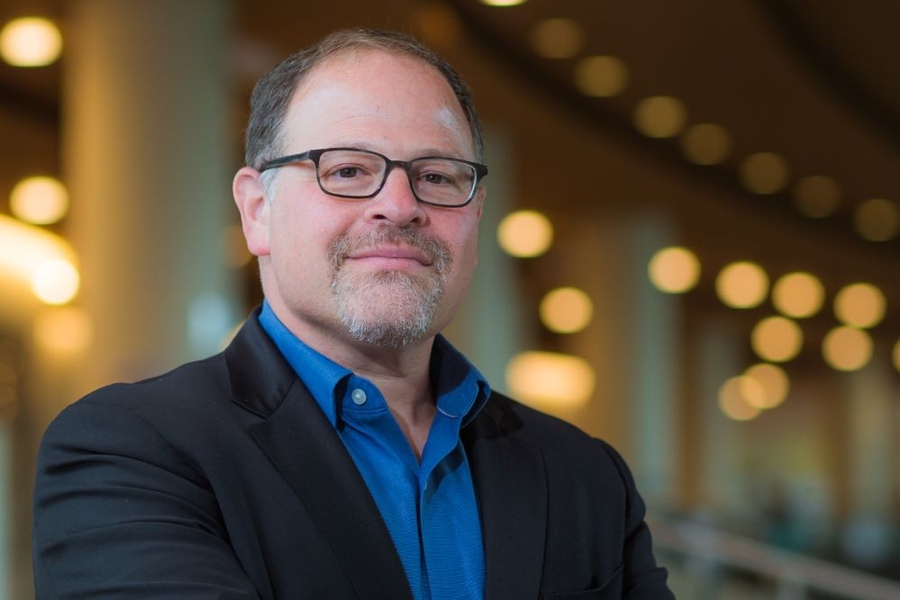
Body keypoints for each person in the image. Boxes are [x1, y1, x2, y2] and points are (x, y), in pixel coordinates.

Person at [32, 28, 675, 599]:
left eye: (439, 176)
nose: (399, 205)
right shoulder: (129, 452)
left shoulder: (586, 476)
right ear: (258, 210)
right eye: (346, 169)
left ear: (476, 219)